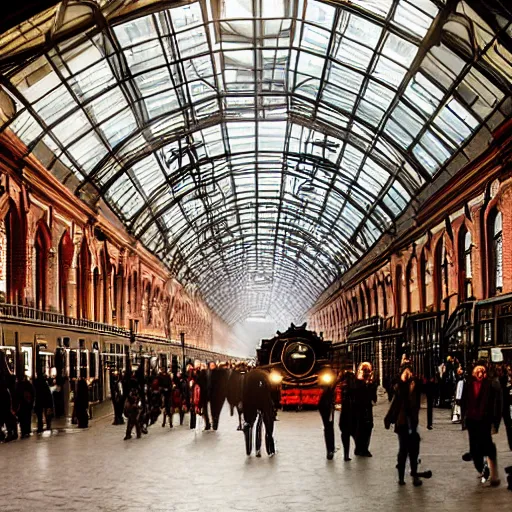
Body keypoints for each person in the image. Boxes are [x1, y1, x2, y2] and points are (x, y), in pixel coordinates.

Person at [462, 364, 502, 486]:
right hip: (472, 420)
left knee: (488, 445)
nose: (480, 373)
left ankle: (493, 474)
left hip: (485, 419)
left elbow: (497, 404)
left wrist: (495, 422)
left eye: (482, 370)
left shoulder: (490, 384)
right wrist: (464, 418)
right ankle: (482, 469)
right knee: (475, 448)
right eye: (477, 370)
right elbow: (464, 401)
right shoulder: (468, 384)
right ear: (473, 372)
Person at [242, 369, 275, 457]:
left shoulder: (248, 376)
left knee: (252, 425)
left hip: (250, 404)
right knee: (266, 427)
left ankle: (250, 449)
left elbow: (243, 391)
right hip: (264, 404)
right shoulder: (265, 376)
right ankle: (269, 449)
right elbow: (272, 390)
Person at [353, 362, 377, 457]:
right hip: (360, 406)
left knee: (367, 426)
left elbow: (373, 396)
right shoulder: (358, 382)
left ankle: (361, 448)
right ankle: (362, 448)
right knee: (362, 427)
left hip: (366, 406)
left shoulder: (370, 383)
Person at [318, 372, 336, 460]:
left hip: (326, 406)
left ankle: (330, 449)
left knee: (328, 428)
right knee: (329, 428)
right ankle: (330, 449)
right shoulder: (327, 391)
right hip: (326, 407)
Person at [339, 370, 356, 461]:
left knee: (346, 435)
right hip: (350, 415)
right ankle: (356, 450)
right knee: (353, 434)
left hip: (345, 416)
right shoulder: (352, 388)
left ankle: (346, 454)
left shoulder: (343, 388)